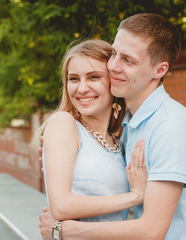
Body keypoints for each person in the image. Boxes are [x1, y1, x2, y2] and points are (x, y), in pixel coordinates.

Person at [39, 13, 186, 240]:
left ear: (159, 70)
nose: (113, 66)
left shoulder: (170, 127)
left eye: (128, 60)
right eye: (114, 54)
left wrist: (65, 230)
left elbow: (152, 230)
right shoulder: (128, 127)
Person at [37, 39, 148, 227]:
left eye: (93, 77)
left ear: (113, 81)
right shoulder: (63, 123)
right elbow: (61, 207)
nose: (81, 88)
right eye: (73, 79)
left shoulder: (118, 142)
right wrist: (135, 196)